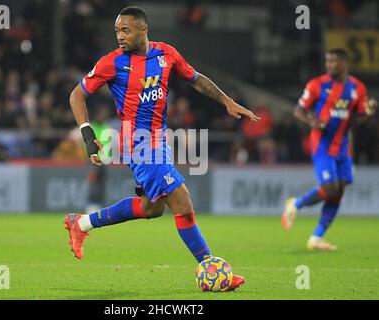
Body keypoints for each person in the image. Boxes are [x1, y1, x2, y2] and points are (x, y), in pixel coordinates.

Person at [66, 6, 259, 291]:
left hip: (160, 140)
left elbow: (196, 79)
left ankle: (81, 224)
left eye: (126, 30)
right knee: (182, 201)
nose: (120, 36)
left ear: (144, 30)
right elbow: (77, 95)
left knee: (151, 208)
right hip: (138, 142)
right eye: (117, 30)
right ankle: (212, 269)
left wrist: (227, 101)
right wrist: (87, 134)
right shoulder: (112, 63)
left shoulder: (166, 54)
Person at [282, 48, 377, 250]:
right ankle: (295, 204)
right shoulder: (317, 84)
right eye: (327, 61)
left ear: (344, 63)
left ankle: (316, 238)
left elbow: (359, 121)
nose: (330, 65)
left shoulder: (357, 88)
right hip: (322, 144)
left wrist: (369, 113)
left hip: (343, 145)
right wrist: (312, 121)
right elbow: (298, 110)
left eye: (334, 61)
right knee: (330, 187)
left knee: (339, 189)